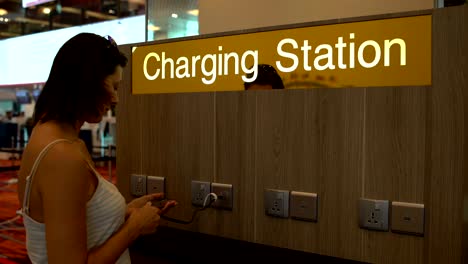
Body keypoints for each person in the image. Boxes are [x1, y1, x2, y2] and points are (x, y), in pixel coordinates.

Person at [17, 33, 177, 264]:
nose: (116, 99)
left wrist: (122, 212)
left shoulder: (55, 137)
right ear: (86, 82)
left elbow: (71, 221)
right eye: (113, 86)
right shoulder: (62, 156)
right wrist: (133, 228)